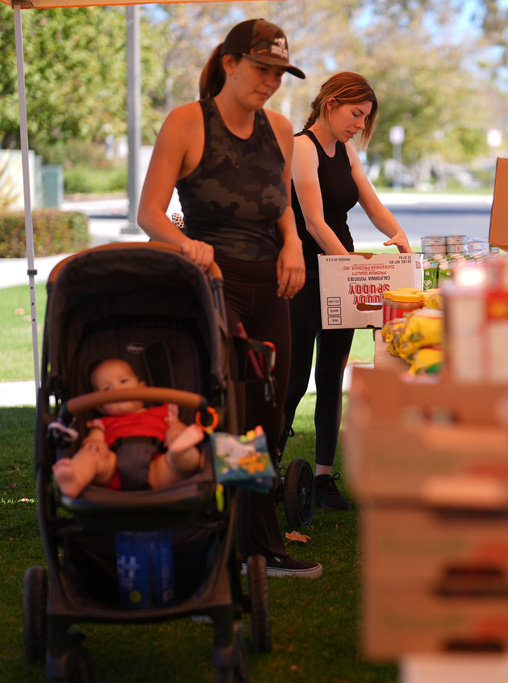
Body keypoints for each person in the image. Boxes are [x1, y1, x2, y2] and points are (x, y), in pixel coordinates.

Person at [137, 18, 321, 579]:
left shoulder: (283, 127)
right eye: (263, 69)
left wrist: (292, 243)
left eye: (280, 73)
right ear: (231, 63)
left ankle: (256, 544)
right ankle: (231, 546)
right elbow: (148, 214)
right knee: (230, 414)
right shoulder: (188, 122)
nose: (271, 81)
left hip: (272, 284)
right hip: (214, 285)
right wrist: (188, 243)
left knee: (269, 412)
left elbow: (282, 203)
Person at [278, 72, 412, 510]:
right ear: (331, 102)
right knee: (295, 377)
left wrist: (398, 234)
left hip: (342, 272)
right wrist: (352, 268)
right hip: (307, 273)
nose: (359, 124)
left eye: (365, 118)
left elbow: (371, 203)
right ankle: (267, 470)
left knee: (332, 374)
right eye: (356, 114)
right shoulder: (302, 147)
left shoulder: (347, 150)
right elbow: (314, 221)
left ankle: (322, 477)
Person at [53, 359, 203, 498]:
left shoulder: (164, 412)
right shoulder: (102, 422)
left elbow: (177, 425)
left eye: (123, 381)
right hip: (113, 468)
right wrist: (96, 443)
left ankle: (179, 452)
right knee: (91, 454)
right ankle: (75, 479)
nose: (117, 389)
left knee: (186, 459)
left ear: (142, 389)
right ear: (100, 406)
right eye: (106, 389)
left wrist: (177, 430)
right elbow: (94, 437)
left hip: (157, 465)